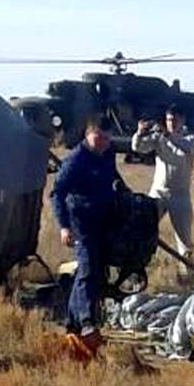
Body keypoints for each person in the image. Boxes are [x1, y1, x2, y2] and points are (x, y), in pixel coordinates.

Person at [50, 118, 123, 346]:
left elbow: (113, 177)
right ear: (88, 135)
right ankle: (87, 322)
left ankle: (71, 325)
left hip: (103, 219)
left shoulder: (108, 153)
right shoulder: (75, 160)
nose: (103, 143)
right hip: (80, 222)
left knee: (92, 270)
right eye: (98, 138)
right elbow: (57, 194)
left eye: (107, 138)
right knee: (88, 269)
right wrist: (64, 226)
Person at [131, 105, 194, 266]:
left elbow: (186, 148)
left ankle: (185, 272)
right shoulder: (159, 137)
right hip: (158, 192)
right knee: (144, 229)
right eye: (169, 120)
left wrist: (168, 135)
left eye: (175, 120)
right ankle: (137, 266)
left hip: (180, 195)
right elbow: (138, 147)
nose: (171, 123)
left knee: (184, 239)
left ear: (183, 120)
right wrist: (140, 132)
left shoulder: (191, 138)